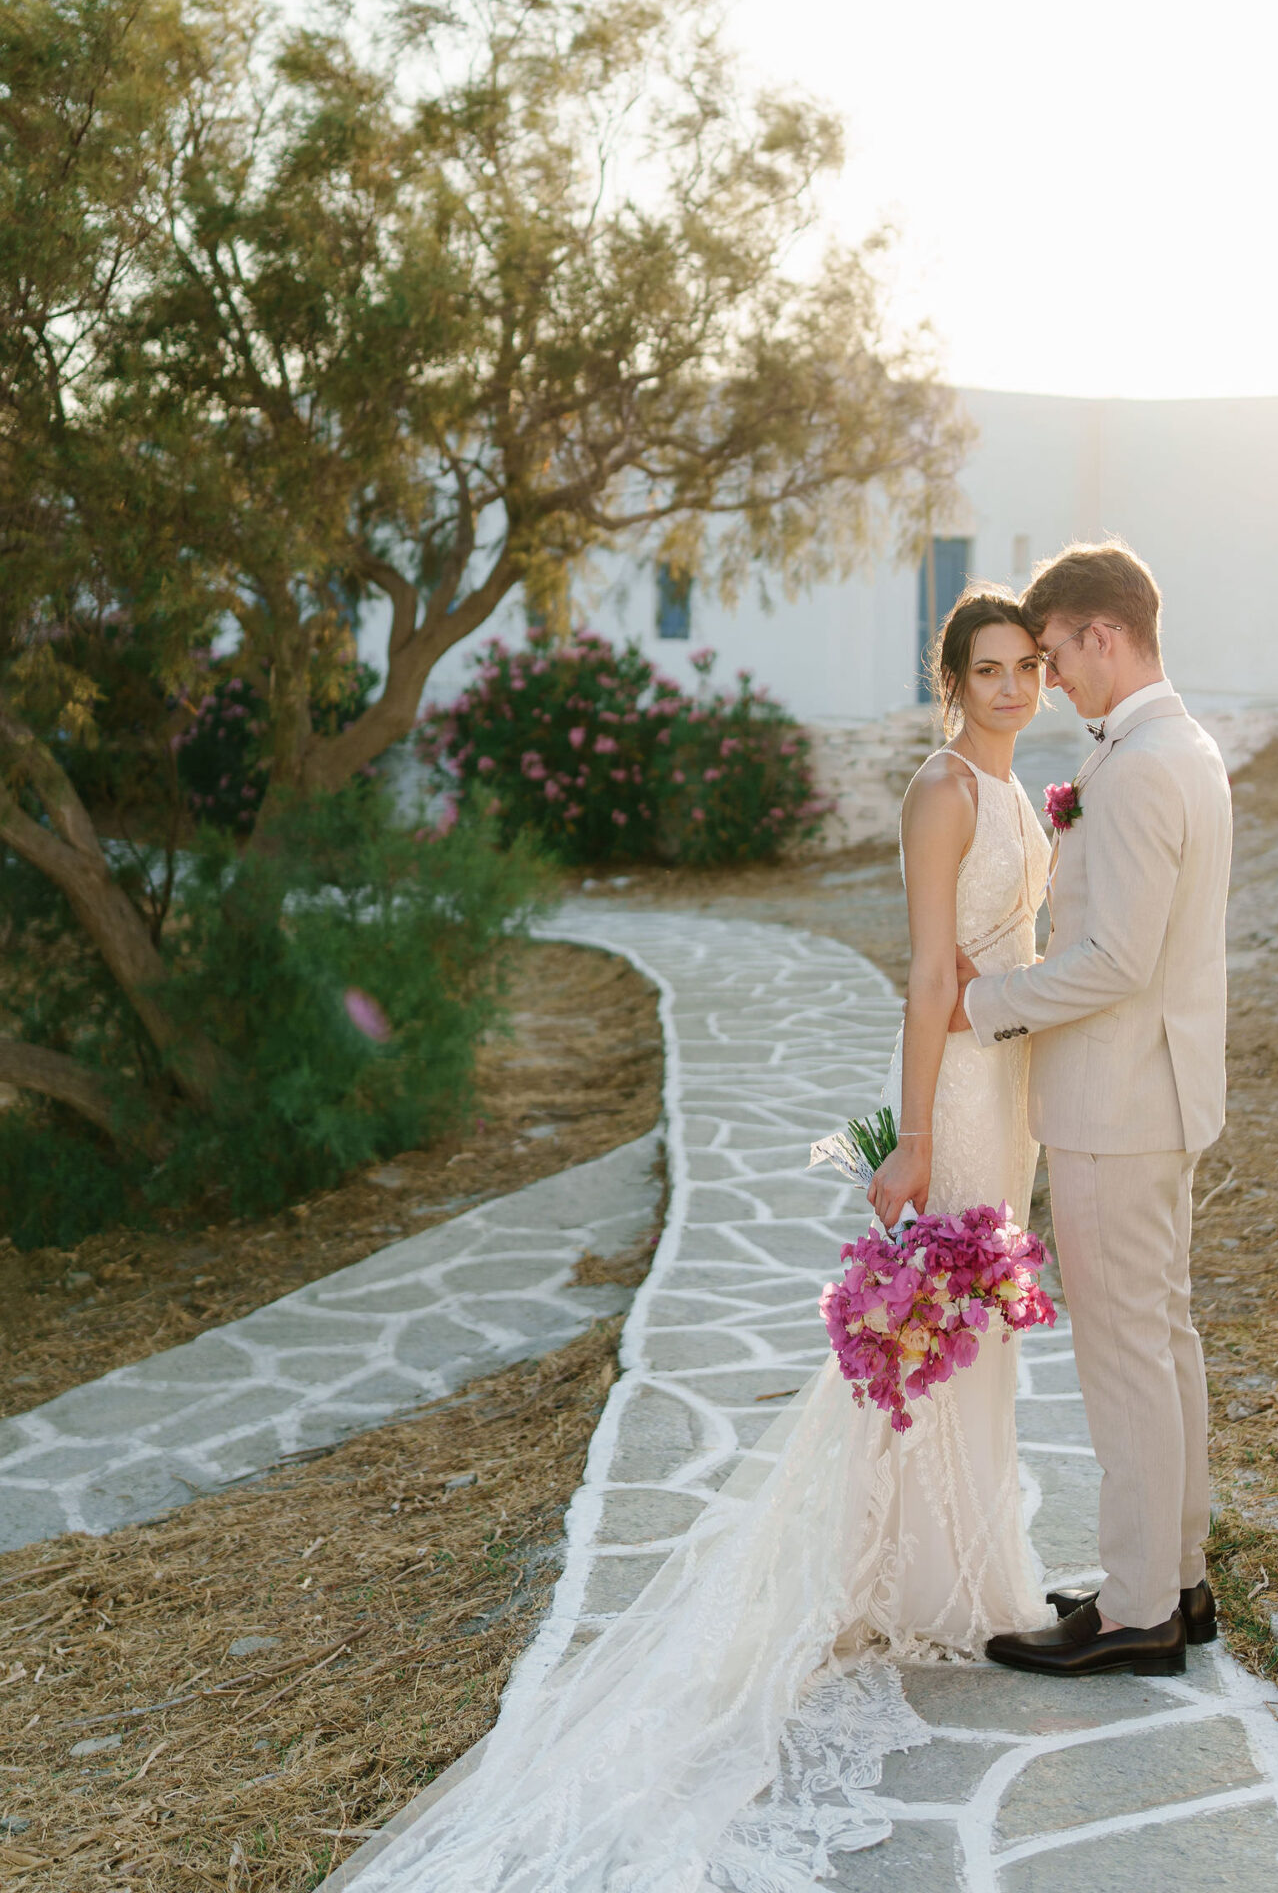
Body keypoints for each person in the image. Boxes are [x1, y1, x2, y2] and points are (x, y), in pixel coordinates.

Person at [323, 587, 1054, 1891]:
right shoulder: (940, 792)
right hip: (953, 1088)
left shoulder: (1016, 790)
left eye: (1024, 669)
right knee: (920, 1337)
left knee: (968, 1333)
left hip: (1007, 1091)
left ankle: (955, 1571)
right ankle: (914, 1578)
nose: (1008, 688)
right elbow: (930, 972)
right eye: (986, 670)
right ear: (949, 681)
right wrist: (915, 1140)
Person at [956, 540, 1233, 1680]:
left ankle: (1134, 1614)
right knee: (1160, 1342)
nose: (1052, 677)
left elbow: (1116, 959)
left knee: (1126, 1355)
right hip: (1157, 1090)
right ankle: (1176, 1578)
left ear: (1103, 633)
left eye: (1059, 653)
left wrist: (993, 1004)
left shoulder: (1139, 768)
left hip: (1117, 1101)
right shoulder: (1183, 745)